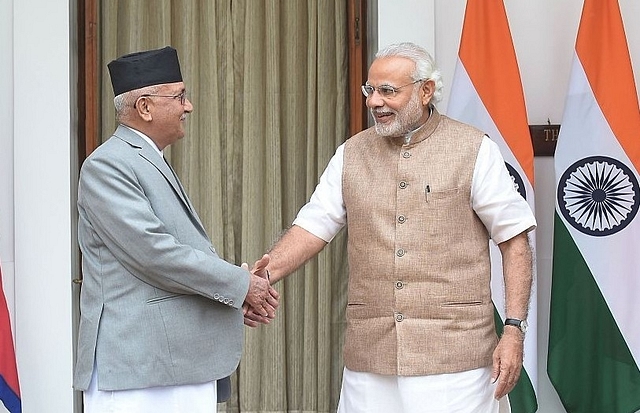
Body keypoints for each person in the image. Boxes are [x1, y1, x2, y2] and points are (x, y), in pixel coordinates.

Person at [250, 42, 536, 412]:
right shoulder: (351, 153)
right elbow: (312, 227)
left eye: (388, 91)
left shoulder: (473, 149)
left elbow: (514, 241)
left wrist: (514, 329)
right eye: (370, 90)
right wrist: (260, 277)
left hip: (455, 360)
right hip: (371, 360)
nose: (374, 102)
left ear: (425, 90)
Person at [73, 46, 278, 413]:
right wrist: (240, 283)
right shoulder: (108, 165)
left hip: (169, 367)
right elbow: (155, 254)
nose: (189, 106)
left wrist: (235, 291)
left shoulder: (147, 158)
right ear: (145, 108)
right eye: (179, 96)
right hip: (139, 369)